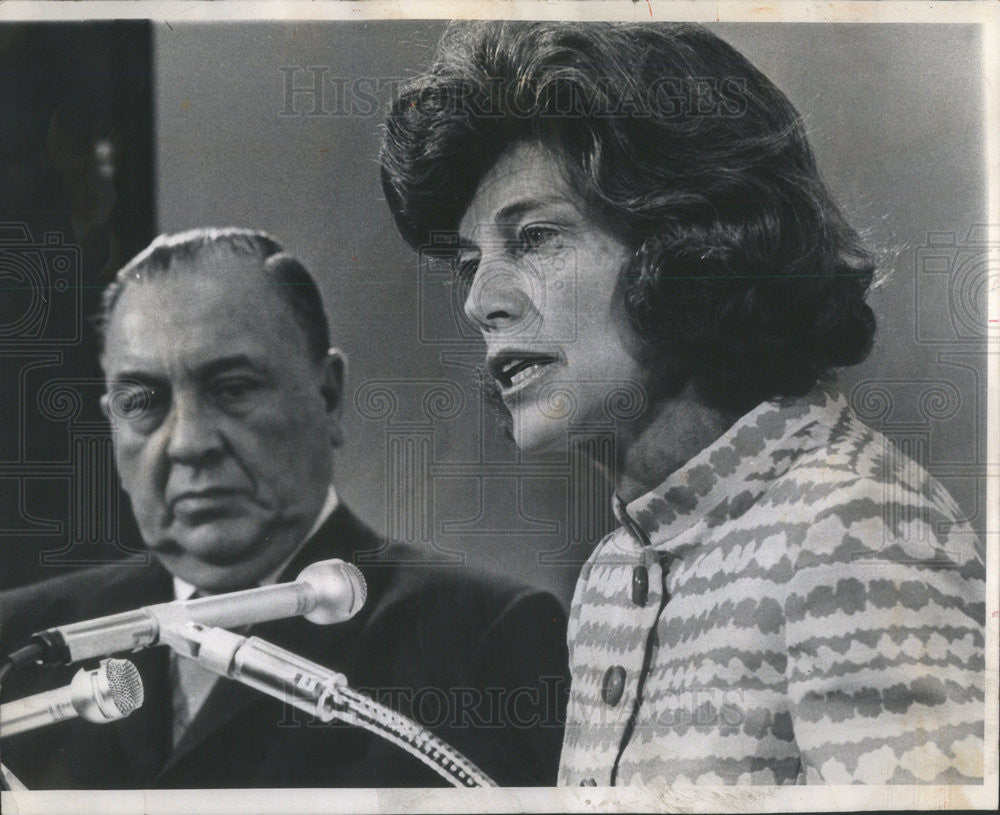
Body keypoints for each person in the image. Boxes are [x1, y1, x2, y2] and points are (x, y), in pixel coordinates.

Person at [379, 22, 986, 785]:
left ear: (693, 245)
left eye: (534, 238)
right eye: (470, 263)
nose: (479, 301)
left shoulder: (856, 528)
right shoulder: (614, 572)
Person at [0, 227, 568, 788]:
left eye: (233, 388)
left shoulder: (483, 641)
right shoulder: (22, 643)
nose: (188, 443)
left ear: (328, 396)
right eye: (141, 402)